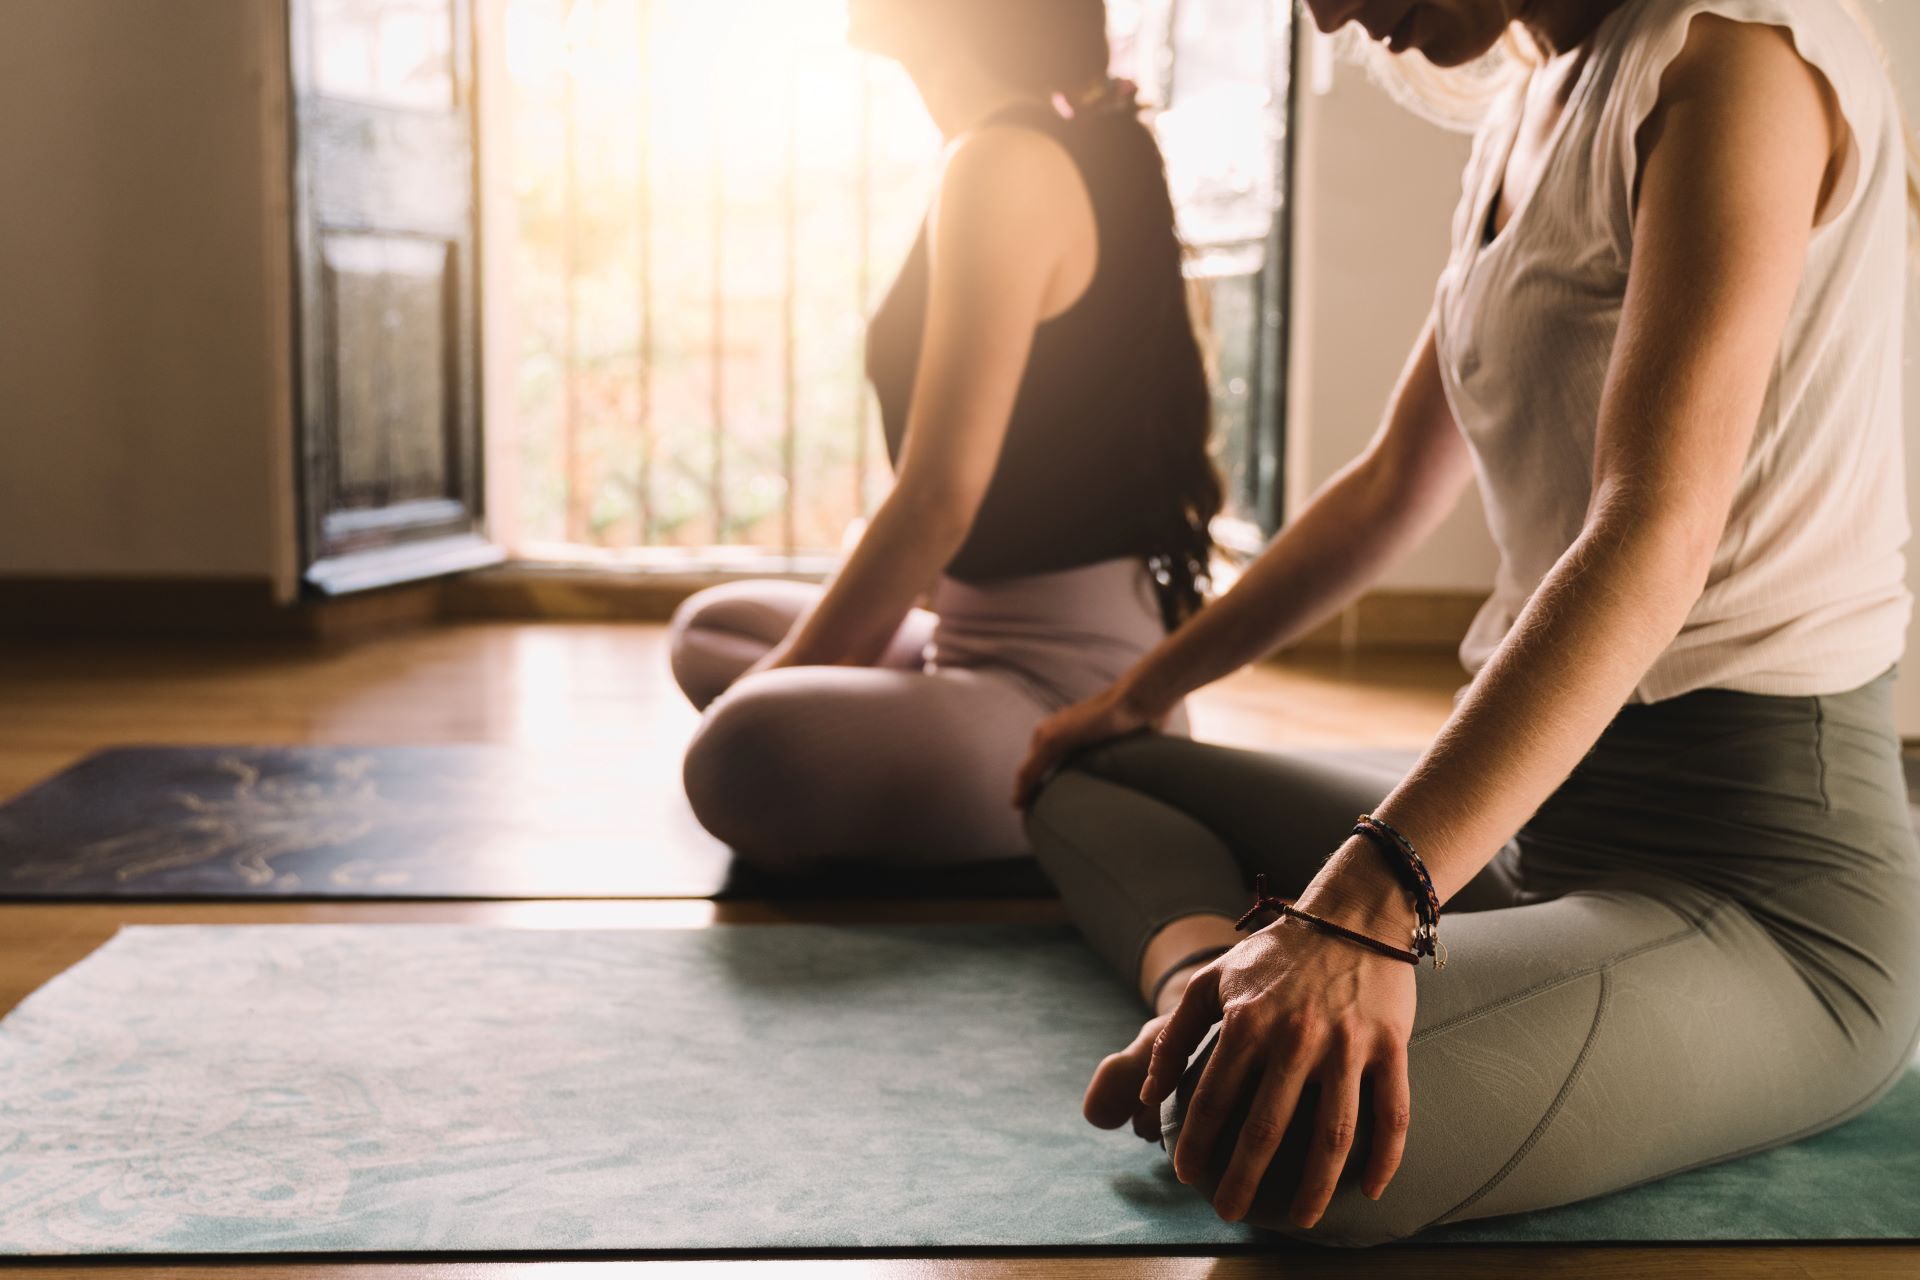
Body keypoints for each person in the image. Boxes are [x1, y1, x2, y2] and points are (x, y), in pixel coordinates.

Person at [1017, 0, 1920, 1247]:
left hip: (1761, 893)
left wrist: (1362, 907)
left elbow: (1656, 525)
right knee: (1082, 772)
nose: (1324, 11)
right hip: (1516, 844)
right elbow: (1391, 486)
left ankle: (1225, 1029)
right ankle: (1204, 994)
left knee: (1287, 1147)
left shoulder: (1739, 58)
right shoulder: (1525, 110)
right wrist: (1133, 691)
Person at [668, 0, 1219, 872]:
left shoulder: (1006, 159)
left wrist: (785, 687)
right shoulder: (1017, 141)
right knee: (712, 631)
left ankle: (1066, 784)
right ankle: (919, 723)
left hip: (1065, 702)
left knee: (735, 751)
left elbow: (936, 501)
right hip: (970, 643)